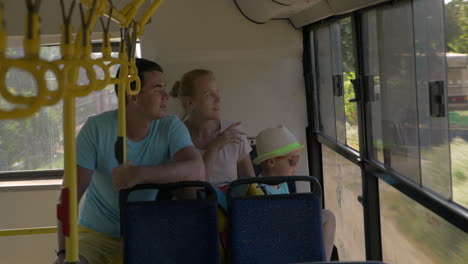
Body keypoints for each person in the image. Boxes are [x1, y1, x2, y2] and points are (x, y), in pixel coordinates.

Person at [54, 58, 205, 264]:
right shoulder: (96, 129)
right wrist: (63, 253)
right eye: (157, 89)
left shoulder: (170, 126)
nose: (166, 96)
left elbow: (196, 169)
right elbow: (68, 197)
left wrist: (138, 174)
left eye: (165, 88)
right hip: (96, 237)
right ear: (132, 95)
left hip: (147, 235)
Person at [253, 125, 336, 261]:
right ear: (271, 162)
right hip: (278, 235)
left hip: (288, 228)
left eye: (297, 160)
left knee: (328, 216)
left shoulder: (282, 183)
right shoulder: (258, 190)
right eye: (292, 160)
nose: (296, 165)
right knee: (327, 217)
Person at [169, 69, 255, 184]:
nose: (218, 99)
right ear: (189, 103)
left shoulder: (234, 132)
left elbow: (252, 185)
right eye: (209, 95)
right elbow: (189, 193)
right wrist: (214, 148)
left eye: (217, 92)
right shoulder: (175, 136)